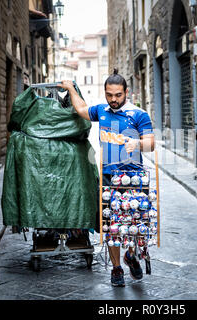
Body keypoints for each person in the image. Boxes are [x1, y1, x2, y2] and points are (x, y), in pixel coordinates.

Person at [59, 70, 155, 287]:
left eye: (118, 95)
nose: (113, 99)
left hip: (133, 178)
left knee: (132, 223)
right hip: (109, 178)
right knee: (112, 224)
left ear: (126, 92)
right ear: (105, 93)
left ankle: (130, 255)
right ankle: (117, 268)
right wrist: (71, 89)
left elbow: (151, 143)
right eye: (109, 95)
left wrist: (138, 144)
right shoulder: (101, 111)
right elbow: (82, 109)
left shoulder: (139, 114)